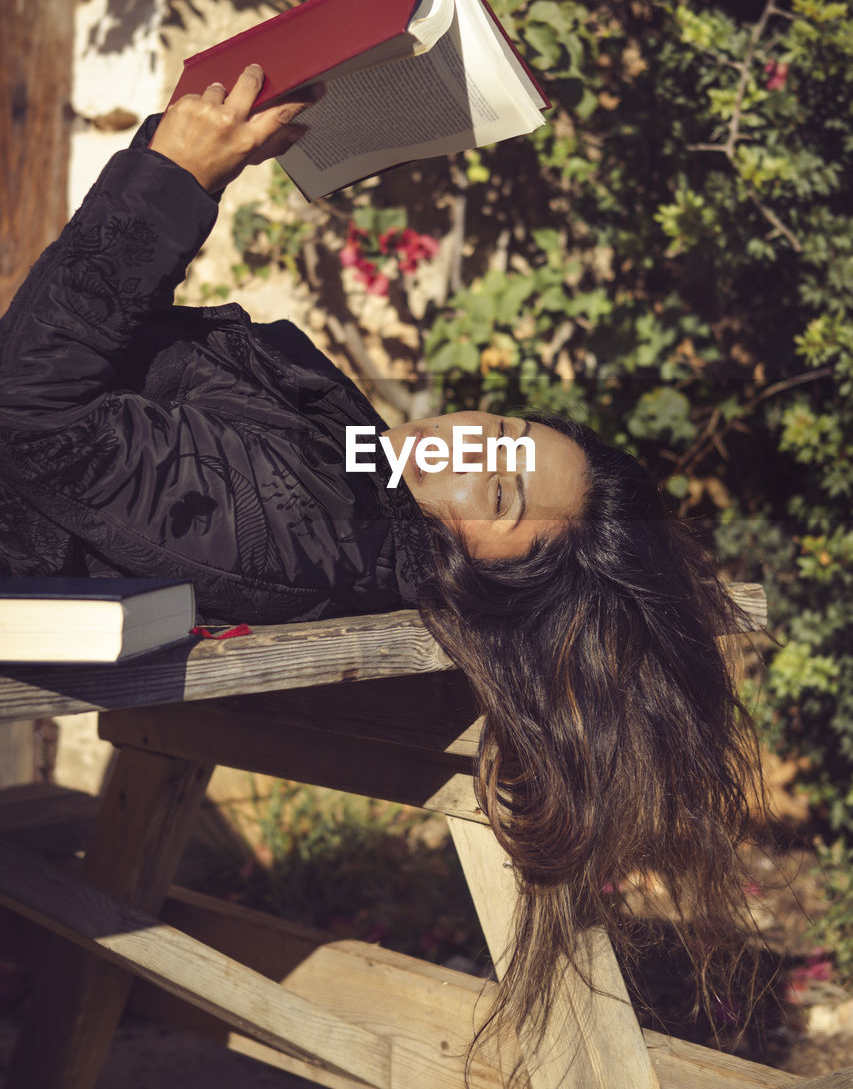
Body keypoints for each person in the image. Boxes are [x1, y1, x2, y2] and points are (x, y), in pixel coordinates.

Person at [0, 65, 764, 1079]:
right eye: (498, 432)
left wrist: (174, 177)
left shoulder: (311, 528)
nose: (461, 445)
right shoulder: (357, 463)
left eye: (494, 488)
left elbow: (33, 413)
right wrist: (186, 153)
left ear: (489, 579)